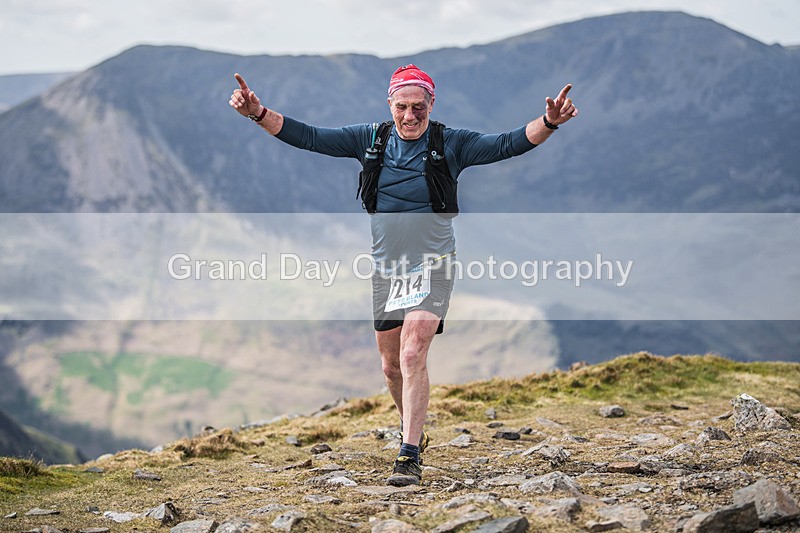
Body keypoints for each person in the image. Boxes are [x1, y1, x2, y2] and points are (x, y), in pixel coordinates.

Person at [229, 64, 578, 486]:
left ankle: (408, 455)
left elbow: (507, 144)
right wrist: (257, 112)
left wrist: (549, 123)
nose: (410, 116)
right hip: (387, 268)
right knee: (391, 368)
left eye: (418, 107)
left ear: (432, 104)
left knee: (414, 353)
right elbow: (310, 137)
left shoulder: (452, 143)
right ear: (389, 105)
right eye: (402, 107)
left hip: (434, 263)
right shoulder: (370, 139)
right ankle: (413, 428)